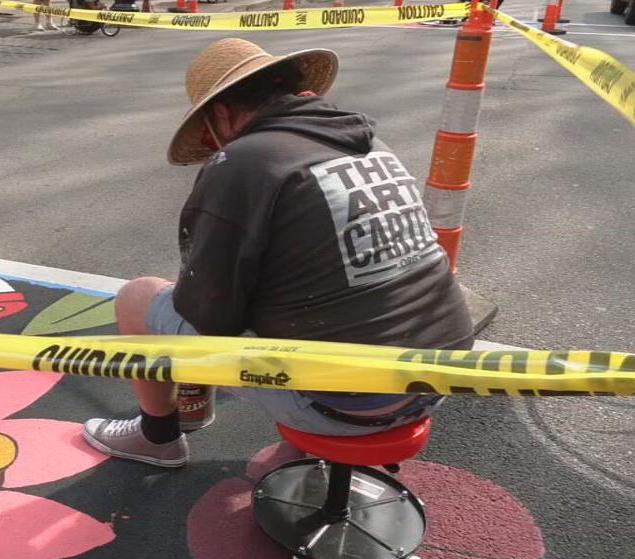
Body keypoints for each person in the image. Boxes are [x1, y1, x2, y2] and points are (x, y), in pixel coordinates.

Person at [82, 38, 475, 468]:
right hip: (442, 380)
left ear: (220, 114)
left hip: (347, 405)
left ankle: (156, 437)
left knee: (140, 297)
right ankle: (299, 448)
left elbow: (210, 316)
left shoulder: (245, 162)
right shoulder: (370, 146)